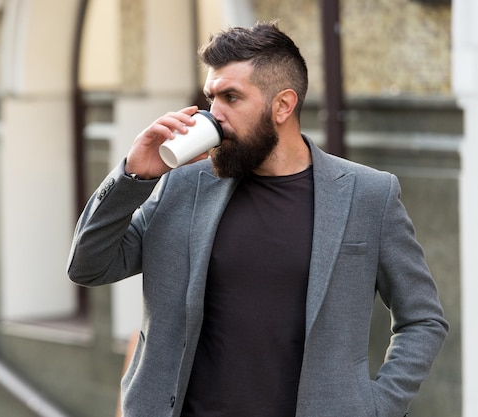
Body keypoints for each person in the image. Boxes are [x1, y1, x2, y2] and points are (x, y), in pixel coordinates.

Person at [67, 21, 448, 417]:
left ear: (283, 105)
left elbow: (422, 319)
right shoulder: (180, 184)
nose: (213, 115)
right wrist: (134, 175)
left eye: (231, 97)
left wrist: (376, 407)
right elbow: (88, 266)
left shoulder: (369, 195)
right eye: (211, 97)